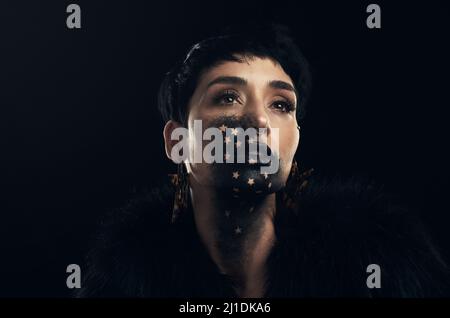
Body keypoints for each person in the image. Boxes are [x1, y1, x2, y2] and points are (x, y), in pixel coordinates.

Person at [76, 24, 449, 298]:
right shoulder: (124, 282)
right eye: (227, 98)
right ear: (177, 141)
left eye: (281, 105)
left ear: (295, 140)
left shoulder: (382, 262)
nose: (258, 121)